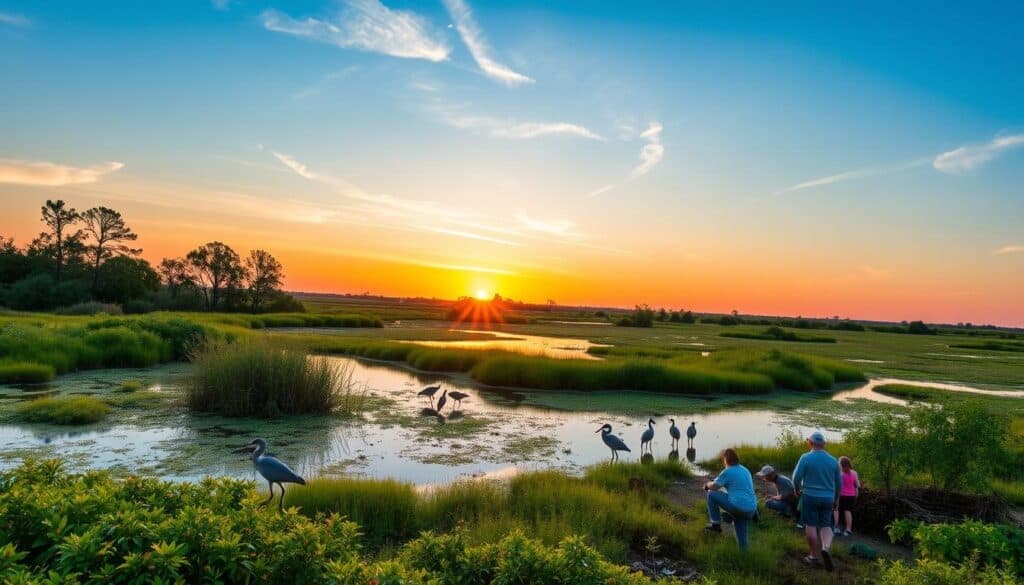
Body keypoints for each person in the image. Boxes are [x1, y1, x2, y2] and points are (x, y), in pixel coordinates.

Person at [793, 431, 842, 572]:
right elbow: (839, 484)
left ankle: (813, 556)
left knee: (811, 525)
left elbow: (796, 478)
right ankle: (825, 548)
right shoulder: (833, 461)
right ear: (824, 444)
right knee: (826, 525)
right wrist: (837, 499)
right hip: (828, 497)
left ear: (810, 443)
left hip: (810, 496)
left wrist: (797, 489)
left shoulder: (806, 458)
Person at [704, 448, 758, 550]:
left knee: (711, 494)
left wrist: (707, 484)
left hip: (738, 506)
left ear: (725, 459)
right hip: (750, 509)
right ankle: (744, 558)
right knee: (742, 540)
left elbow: (714, 487)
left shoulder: (728, 471)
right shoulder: (745, 470)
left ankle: (715, 524)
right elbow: (743, 489)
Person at [834, 456, 860, 536]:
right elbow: (857, 485)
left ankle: (836, 528)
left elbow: (837, 486)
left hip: (840, 495)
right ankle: (848, 529)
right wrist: (856, 494)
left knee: (835, 509)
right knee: (847, 511)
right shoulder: (854, 473)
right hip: (851, 496)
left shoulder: (840, 474)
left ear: (840, 465)